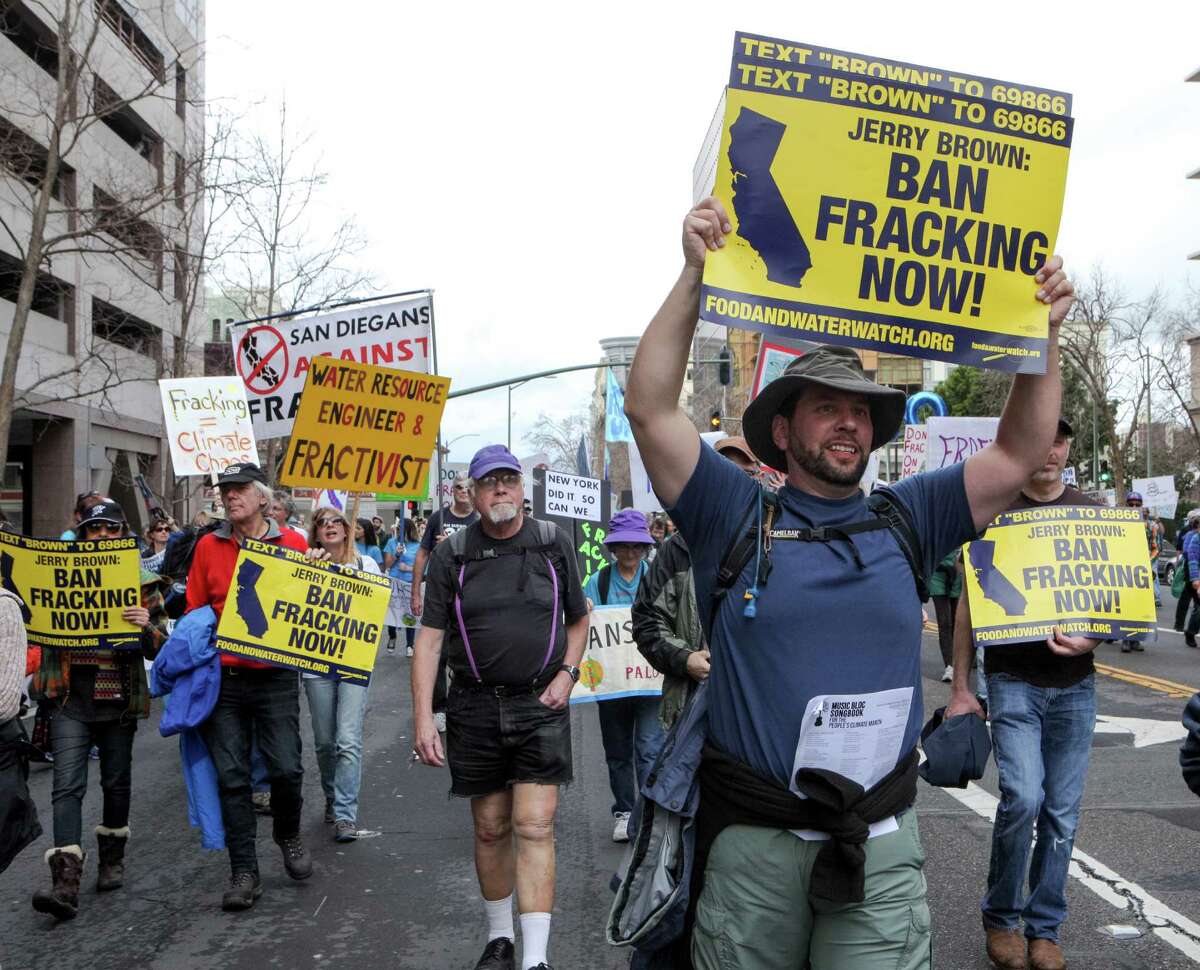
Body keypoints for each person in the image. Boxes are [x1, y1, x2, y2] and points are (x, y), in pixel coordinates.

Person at [622, 196, 1075, 970]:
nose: (847, 424)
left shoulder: (912, 515)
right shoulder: (735, 513)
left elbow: (1023, 447)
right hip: (754, 850)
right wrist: (694, 273)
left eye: (860, 413)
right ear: (785, 430)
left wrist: (1046, 333)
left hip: (881, 846)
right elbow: (649, 406)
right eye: (825, 408)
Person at [412, 444, 589, 970]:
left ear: (522, 488)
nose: (501, 491)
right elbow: (428, 639)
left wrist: (568, 673)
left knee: (534, 826)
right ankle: (500, 940)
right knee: (490, 826)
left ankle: (535, 958)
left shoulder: (555, 543)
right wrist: (424, 716)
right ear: (473, 491)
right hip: (473, 708)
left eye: (509, 480)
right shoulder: (453, 553)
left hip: (540, 704)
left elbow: (579, 618)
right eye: (490, 483)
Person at [947, 418, 1099, 970]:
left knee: (1062, 812)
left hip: (1076, 688)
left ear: (1068, 446)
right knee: (1025, 800)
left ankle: (1045, 928)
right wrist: (963, 685)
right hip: (1012, 682)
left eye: (1062, 438)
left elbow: (1116, 603)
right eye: (1045, 436)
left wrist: (1092, 636)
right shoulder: (995, 512)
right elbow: (969, 602)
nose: (1052, 448)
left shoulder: (1093, 513)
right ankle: (1002, 919)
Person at [30, 500, 169, 920]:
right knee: (65, 787)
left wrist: (145, 624)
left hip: (120, 702)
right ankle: (65, 881)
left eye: (111, 529)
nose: (103, 536)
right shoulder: (56, 578)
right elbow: (31, 620)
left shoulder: (143, 581)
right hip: (70, 698)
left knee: (116, 783)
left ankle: (111, 858)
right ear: (83, 535)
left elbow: (163, 645)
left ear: (123, 533)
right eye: (95, 530)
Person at [185, 462, 313, 911]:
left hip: (276, 676)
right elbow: (195, 612)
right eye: (226, 491)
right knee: (233, 777)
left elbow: (310, 608)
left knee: (287, 768)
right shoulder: (207, 547)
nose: (230, 496)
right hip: (225, 679)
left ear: (263, 498)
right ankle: (244, 871)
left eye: (240, 489)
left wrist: (318, 574)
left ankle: (287, 832)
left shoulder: (294, 543)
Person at [632, 436, 762, 731]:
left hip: (756, 712)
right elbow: (646, 622)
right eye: (724, 474)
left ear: (759, 480)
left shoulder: (776, 543)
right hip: (691, 712)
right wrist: (685, 658)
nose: (734, 485)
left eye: (744, 475)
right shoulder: (676, 551)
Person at [583, 509, 664, 843]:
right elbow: (579, 623)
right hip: (612, 683)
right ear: (612, 549)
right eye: (624, 546)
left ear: (645, 549)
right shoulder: (597, 582)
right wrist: (583, 608)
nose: (630, 553)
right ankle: (624, 811)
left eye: (637, 547)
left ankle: (647, 813)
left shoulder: (657, 578)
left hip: (649, 681)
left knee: (649, 748)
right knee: (617, 751)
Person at [305, 507, 379, 842]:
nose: (330, 527)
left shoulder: (367, 565)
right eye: (323, 523)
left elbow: (379, 611)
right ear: (316, 532)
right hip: (316, 661)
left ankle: (346, 814)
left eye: (336, 522)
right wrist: (308, 573)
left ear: (348, 529)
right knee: (324, 743)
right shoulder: (306, 562)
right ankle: (333, 798)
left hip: (353, 661)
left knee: (347, 741)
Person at [411, 473, 480, 733]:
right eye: (458, 487)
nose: (463, 491)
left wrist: (454, 545)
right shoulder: (438, 518)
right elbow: (422, 554)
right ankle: (438, 708)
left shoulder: (480, 519)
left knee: (468, 650)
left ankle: (467, 704)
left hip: (472, 596)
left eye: (468, 487)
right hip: (441, 594)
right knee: (436, 653)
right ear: (451, 490)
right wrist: (415, 591)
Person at [1120, 492, 1154, 653]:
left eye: (1137, 504)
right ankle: (1126, 639)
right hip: (1125, 570)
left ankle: (1136, 639)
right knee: (1127, 605)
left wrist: (1148, 563)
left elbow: (1155, 547)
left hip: (1142, 571)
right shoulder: (1119, 523)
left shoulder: (1149, 526)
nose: (1134, 507)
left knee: (1141, 607)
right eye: (1131, 504)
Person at [383, 517, 422, 656]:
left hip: (410, 584)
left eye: (401, 529)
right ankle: (392, 636)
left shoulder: (419, 545)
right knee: (392, 612)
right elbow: (386, 564)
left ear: (409, 530)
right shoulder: (391, 543)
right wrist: (396, 555)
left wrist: (409, 568)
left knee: (409, 614)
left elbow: (424, 566)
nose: (398, 531)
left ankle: (409, 645)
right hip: (394, 582)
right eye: (398, 529)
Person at [928, 550, 963, 683]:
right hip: (938, 573)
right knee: (944, 623)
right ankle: (949, 667)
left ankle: (962, 662)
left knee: (958, 622)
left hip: (959, 572)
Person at [1177, 511, 1200, 648]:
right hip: (1197, 575)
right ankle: (1190, 632)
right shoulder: (1195, 538)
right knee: (1198, 609)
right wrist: (1195, 578)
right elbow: (1192, 559)